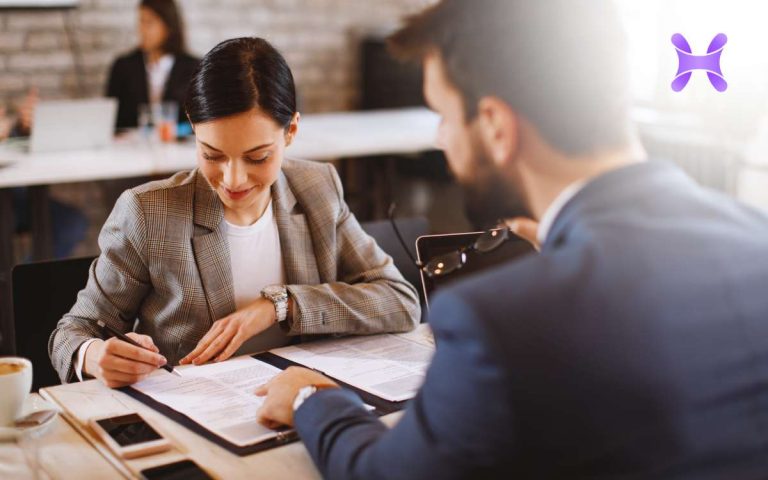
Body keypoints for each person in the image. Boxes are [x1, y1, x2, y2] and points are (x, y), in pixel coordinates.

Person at [255, 1, 768, 478]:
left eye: (445, 116)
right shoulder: (756, 238)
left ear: (497, 126)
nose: (441, 138)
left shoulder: (499, 320)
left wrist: (311, 401)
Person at [49, 37, 420, 387]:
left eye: (257, 157)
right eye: (212, 155)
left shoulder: (317, 187)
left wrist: (281, 305)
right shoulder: (149, 212)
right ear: (193, 127)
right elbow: (73, 332)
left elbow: (400, 301)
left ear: (290, 131)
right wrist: (94, 355)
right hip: (196, 414)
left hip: (299, 404)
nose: (233, 179)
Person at [1, 90, 89, 259]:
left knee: (71, 223)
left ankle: (25, 283)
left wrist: (22, 128)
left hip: (14, 196)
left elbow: (8, 142)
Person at [106, 0, 199, 129]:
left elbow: (201, 121)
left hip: (178, 147)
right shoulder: (123, 66)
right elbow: (111, 119)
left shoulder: (194, 68)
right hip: (131, 146)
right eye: (140, 22)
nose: (142, 30)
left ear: (168, 26)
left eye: (149, 23)